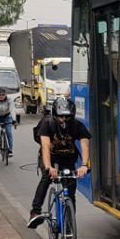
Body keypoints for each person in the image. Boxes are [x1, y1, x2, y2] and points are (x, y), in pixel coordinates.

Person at [27, 97, 91, 229]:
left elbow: (85, 145)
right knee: (46, 178)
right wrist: (49, 167)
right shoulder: (47, 123)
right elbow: (45, 146)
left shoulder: (77, 125)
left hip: (68, 158)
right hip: (51, 157)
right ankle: (35, 211)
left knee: (70, 193)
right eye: (61, 117)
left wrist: (84, 165)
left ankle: (69, 228)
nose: (64, 120)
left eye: (67, 117)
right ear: (55, 115)